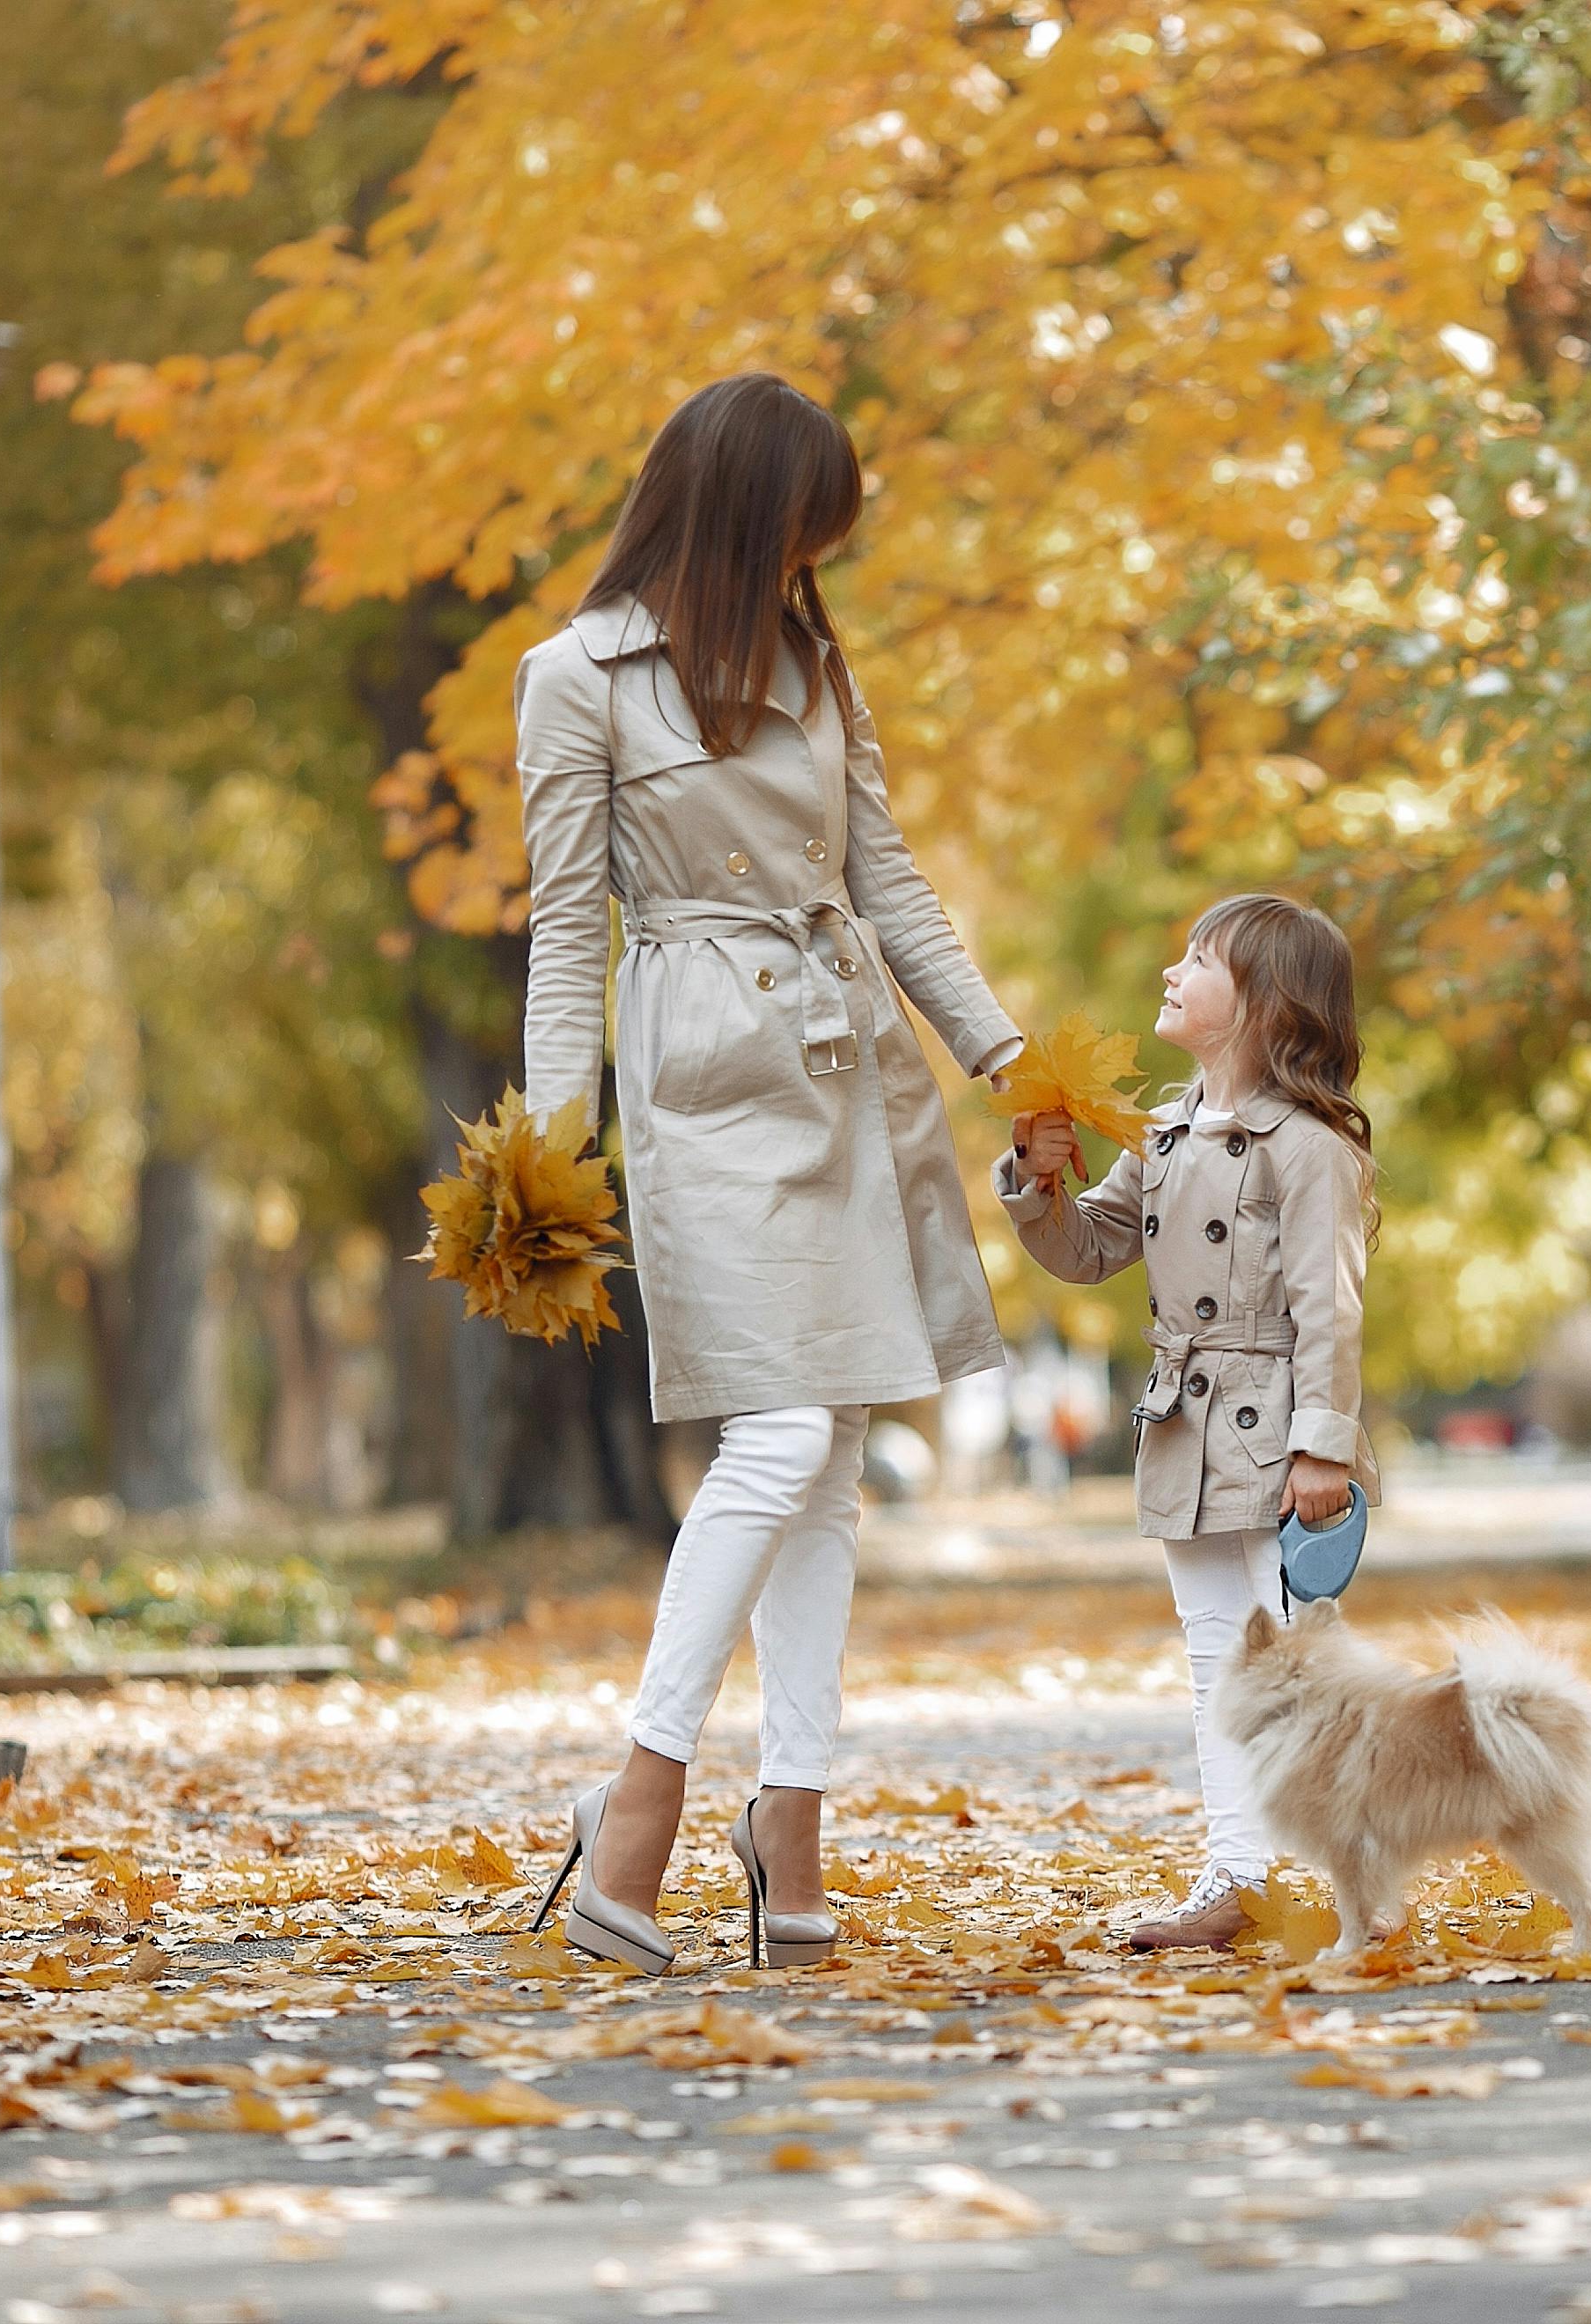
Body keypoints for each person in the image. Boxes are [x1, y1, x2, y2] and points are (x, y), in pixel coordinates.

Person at [515, 375, 1025, 1975]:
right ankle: (646, 1794)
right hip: (701, 1084)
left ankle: (789, 1816)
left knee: (839, 1447)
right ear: (745, 516)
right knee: (784, 1426)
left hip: (838, 1064)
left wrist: (1012, 1061)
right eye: (804, 529)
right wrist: (546, 1156)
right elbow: (566, 934)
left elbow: (890, 883)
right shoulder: (575, 679)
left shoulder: (815, 665)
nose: (820, 559)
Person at [999, 895, 1378, 1951]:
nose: (1171, 972)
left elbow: (1329, 1307)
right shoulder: (1160, 1132)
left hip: (1274, 1434)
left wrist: (1322, 1447)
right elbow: (1088, 1249)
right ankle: (1237, 1878)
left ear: (1262, 1003)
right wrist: (1039, 1183)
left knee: (1301, 1674)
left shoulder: (1306, 1149)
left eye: (1198, 960)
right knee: (1217, 1666)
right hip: (1187, 1430)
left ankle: (1353, 1883)